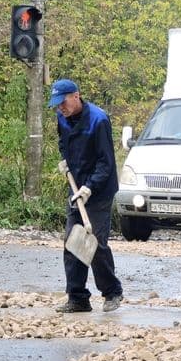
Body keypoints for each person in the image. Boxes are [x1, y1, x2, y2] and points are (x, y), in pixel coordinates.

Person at [49, 78, 124, 312]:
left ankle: (112, 293)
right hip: (76, 186)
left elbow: (106, 162)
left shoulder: (98, 120)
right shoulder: (62, 117)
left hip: (99, 190)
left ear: (76, 96)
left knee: (95, 242)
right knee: (72, 241)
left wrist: (90, 187)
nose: (61, 108)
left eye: (63, 102)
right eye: (57, 104)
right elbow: (64, 142)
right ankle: (78, 298)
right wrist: (66, 162)